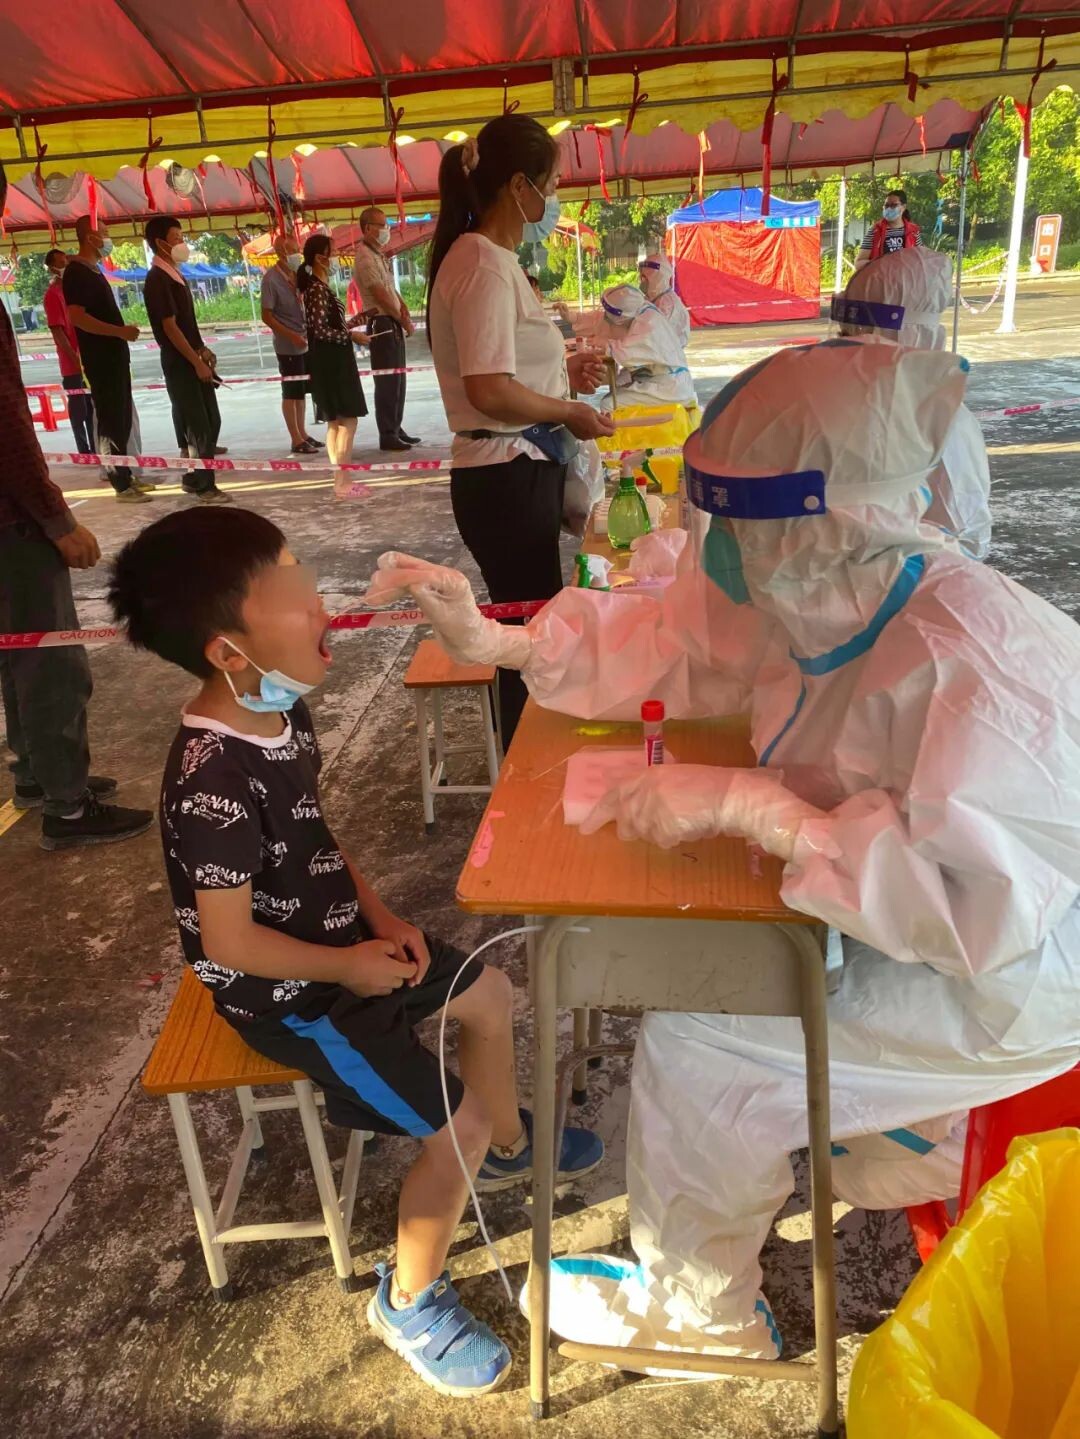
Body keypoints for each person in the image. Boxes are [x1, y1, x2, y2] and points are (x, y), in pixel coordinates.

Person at [369, 340, 1080, 1365]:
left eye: (742, 522)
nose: (726, 552)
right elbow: (683, 643)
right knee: (746, 1016)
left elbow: (970, 906)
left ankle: (705, 1314)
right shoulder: (829, 591)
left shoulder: (978, 656)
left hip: (1014, 986)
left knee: (702, 1048)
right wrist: (503, 644)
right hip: (935, 947)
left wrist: (759, 809)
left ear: (828, 517)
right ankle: (899, 1142)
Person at [106, 504, 602, 1396]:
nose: (321, 603)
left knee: (490, 995)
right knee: (455, 1125)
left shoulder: (282, 715)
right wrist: (345, 966)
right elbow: (228, 940)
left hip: (344, 945)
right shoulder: (210, 781)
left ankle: (508, 1147)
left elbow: (315, 838)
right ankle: (408, 1300)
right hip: (293, 997)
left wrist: (379, 916)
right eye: (293, 592)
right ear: (229, 650)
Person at [425, 112, 613, 741]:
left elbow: (503, 369)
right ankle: (527, 765)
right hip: (505, 476)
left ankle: (530, 756)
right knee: (527, 637)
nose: (554, 198)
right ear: (517, 186)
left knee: (532, 628)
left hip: (518, 471)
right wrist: (568, 411)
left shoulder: (494, 259)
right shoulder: (480, 262)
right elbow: (488, 390)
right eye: (551, 184)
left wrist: (562, 373)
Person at [0, 164, 153, 850]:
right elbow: (6, 423)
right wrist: (55, 518)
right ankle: (66, 805)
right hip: (11, 519)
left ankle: (37, 774)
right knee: (51, 657)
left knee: (17, 650)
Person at [843, 245, 992, 557]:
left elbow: (961, 535)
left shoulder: (939, 418)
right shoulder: (841, 400)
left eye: (855, 331)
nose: (843, 343)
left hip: (907, 578)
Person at [62, 216, 152, 503]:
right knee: (110, 420)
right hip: (101, 359)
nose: (108, 237)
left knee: (122, 418)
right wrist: (118, 332)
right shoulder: (76, 272)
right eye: (104, 232)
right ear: (90, 238)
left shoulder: (95, 270)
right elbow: (77, 317)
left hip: (115, 357)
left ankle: (127, 474)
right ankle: (120, 483)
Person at [142, 217, 230, 506]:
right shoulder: (157, 279)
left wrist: (202, 349)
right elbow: (170, 327)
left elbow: (186, 324)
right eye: (176, 238)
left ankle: (194, 478)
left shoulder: (175, 274)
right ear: (160, 243)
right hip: (180, 362)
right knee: (199, 426)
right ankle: (206, 487)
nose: (182, 243)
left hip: (192, 356)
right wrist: (195, 362)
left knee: (212, 420)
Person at [297, 234, 368, 467]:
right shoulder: (317, 289)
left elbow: (327, 325)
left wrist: (353, 323)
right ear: (320, 258)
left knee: (336, 423)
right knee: (347, 421)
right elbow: (319, 330)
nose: (337, 256)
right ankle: (342, 475)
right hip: (332, 362)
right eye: (334, 252)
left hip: (330, 359)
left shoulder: (319, 288)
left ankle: (340, 476)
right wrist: (351, 336)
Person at [351, 207, 417, 452]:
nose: (386, 230)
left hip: (393, 320)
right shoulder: (364, 257)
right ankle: (387, 434)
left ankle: (396, 427)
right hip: (382, 323)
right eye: (381, 225)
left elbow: (389, 287)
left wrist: (403, 307)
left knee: (399, 379)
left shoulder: (377, 254)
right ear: (368, 228)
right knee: (388, 382)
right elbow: (380, 294)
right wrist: (402, 319)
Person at [580, 282, 695, 411]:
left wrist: (605, 343)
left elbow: (627, 354)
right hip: (665, 381)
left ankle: (622, 425)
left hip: (669, 388)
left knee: (609, 404)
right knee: (618, 385)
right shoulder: (644, 312)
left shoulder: (648, 324)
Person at [261, 233, 321, 455]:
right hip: (288, 346)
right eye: (293, 251)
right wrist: (290, 335)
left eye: (298, 250)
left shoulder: (298, 275)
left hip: (304, 341)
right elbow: (267, 316)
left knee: (301, 391)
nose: (298, 255)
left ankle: (303, 433)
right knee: (291, 392)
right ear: (281, 253)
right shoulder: (271, 280)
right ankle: (295, 438)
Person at [43, 249, 95, 455]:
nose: (65, 265)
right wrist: (75, 360)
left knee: (91, 406)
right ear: (52, 268)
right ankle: (83, 448)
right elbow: (58, 332)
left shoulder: (75, 291)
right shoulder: (52, 295)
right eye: (60, 262)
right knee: (78, 407)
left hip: (87, 357)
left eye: (66, 260)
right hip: (71, 363)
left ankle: (95, 445)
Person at [854, 189, 921, 272]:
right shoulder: (875, 231)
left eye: (893, 205)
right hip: (881, 278)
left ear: (903, 207)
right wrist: (880, 265)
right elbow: (859, 263)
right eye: (886, 205)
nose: (889, 208)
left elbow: (921, 260)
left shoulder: (913, 232)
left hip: (906, 278)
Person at [638, 254, 691, 349]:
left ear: (657, 278)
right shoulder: (654, 299)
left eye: (645, 278)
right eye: (642, 278)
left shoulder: (668, 305)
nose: (642, 282)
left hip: (666, 355)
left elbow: (653, 337)